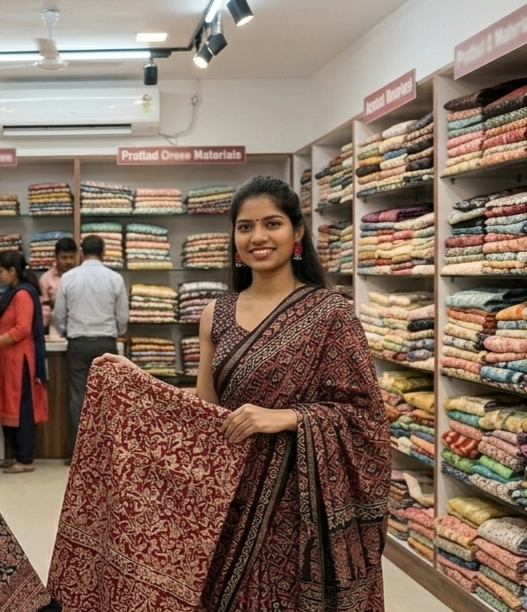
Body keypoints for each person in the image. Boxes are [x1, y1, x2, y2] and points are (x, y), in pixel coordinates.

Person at [96, 175, 386, 609]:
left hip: (303, 503)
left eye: (272, 224)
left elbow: (367, 417)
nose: (258, 237)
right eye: (245, 226)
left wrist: (291, 417)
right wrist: (139, 383)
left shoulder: (332, 314)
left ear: (297, 232)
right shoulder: (217, 312)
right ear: (234, 237)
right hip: (231, 496)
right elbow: (203, 412)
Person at [52, 235, 127, 462]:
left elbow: (58, 314)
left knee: (78, 398)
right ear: (103, 253)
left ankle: (79, 455)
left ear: (81, 253)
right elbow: (123, 317)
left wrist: (68, 330)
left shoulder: (69, 278)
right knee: (108, 398)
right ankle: (106, 455)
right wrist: (115, 330)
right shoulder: (115, 278)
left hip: (78, 342)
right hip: (106, 343)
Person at [0, 250, 49, 474]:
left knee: (23, 409)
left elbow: (22, 329)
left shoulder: (23, 295)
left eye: (0, 271)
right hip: (11, 360)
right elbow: (9, 325)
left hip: (22, 363)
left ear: (12, 271)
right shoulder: (13, 293)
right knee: (12, 407)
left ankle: (26, 459)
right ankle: (18, 455)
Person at [39, 237, 80, 340]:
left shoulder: (82, 277)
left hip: (80, 327)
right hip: (53, 327)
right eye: (64, 257)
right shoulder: (46, 279)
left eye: (72, 257)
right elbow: (44, 308)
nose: (69, 261)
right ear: (56, 257)